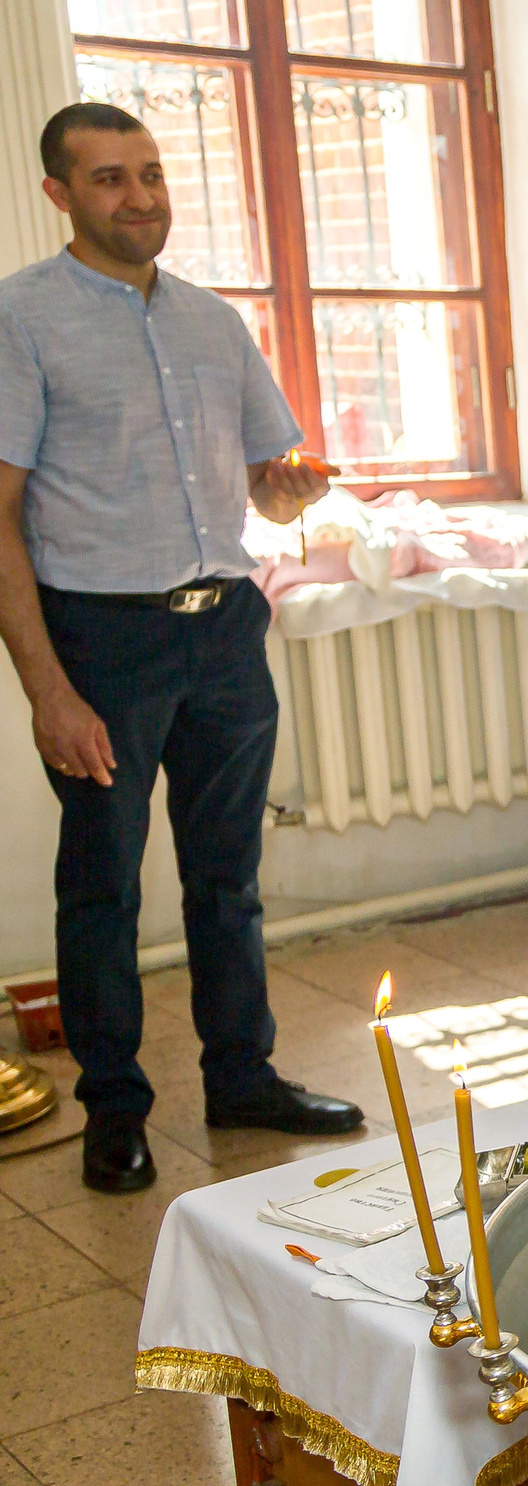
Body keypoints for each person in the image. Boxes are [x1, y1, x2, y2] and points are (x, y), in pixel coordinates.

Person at [0, 104, 362, 1194]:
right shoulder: (21, 318)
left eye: (152, 174)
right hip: (101, 638)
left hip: (226, 631)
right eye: (110, 179)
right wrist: (47, 688)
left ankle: (241, 1077)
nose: (141, 197)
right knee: (103, 885)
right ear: (60, 194)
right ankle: (115, 1108)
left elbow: (265, 474)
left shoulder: (214, 321)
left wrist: (288, 485)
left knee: (228, 879)